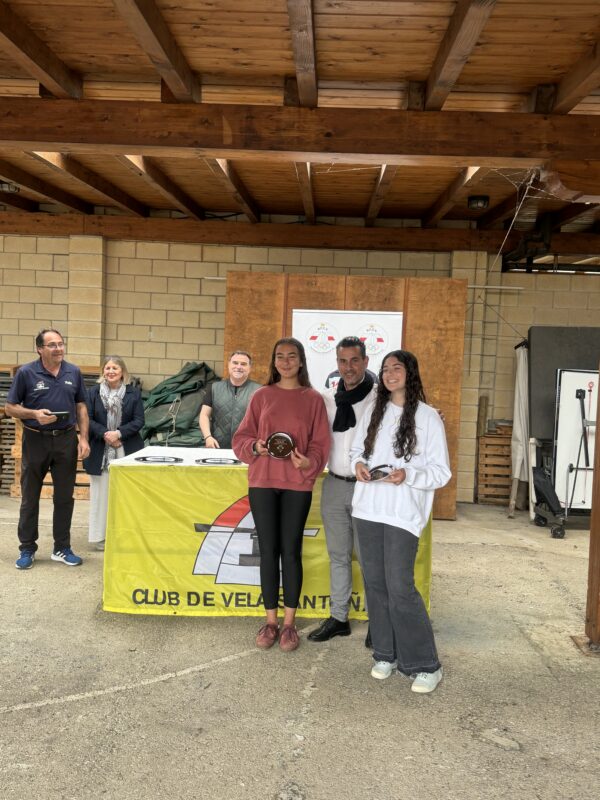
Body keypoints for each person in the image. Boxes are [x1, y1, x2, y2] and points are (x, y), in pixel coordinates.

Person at [350, 350, 451, 693]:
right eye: (385, 369)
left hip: (401, 514)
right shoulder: (373, 412)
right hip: (367, 509)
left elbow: (441, 472)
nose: (390, 373)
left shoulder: (428, 417)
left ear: (411, 373)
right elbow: (356, 452)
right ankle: (385, 654)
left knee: (400, 587)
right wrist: (358, 465)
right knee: (375, 585)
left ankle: (425, 665)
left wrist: (408, 474)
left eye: (397, 367)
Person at [233, 337, 330, 652]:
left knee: (290, 552)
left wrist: (309, 462)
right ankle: (270, 622)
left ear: (301, 361)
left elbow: (321, 443)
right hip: (263, 481)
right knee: (268, 552)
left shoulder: (312, 399)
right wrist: (255, 446)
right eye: (280, 356)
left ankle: (289, 624)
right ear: (273, 361)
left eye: (291, 356)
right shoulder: (262, 396)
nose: (285, 361)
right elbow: (242, 437)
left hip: (296, 484)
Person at [308, 336, 376, 644]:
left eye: (354, 361)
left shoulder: (380, 398)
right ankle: (338, 618)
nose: (348, 367)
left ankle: (378, 622)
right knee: (338, 555)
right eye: (343, 361)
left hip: (369, 488)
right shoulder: (328, 399)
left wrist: (433, 415)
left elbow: (412, 412)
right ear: (336, 363)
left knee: (370, 558)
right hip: (335, 484)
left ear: (365, 362)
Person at [5, 328, 90, 569]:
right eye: (52, 345)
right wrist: (34, 414)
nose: (58, 348)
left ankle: (62, 548)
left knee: (64, 498)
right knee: (30, 497)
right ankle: (27, 549)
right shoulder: (26, 373)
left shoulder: (73, 372)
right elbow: (10, 407)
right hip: (35, 440)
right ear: (39, 349)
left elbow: (81, 406)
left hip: (65, 440)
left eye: (61, 344)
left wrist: (83, 439)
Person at [83, 356, 145, 551]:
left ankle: (125, 535)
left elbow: (139, 420)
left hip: (126, 448)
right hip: (100, 450)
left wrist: (118, 434)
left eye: (115, 368)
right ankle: (100, 537)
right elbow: (87, 419)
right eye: (107, 368)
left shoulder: (134, 393)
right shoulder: (92, 393)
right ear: (103, 371)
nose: (110, 371)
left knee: (126, 495)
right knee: (100, 495)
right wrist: (106, 434)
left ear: (122, 372)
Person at [199, 351, 261, 449]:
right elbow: (204, 415)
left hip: (247, 448)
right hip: (218, 447)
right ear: (229, 365)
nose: (239, 367)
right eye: (235, 363)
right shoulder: (214, 388)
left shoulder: (260, 391)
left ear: (249, 368)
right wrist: (208, 437)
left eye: (243, 364)